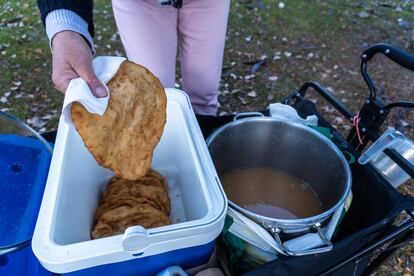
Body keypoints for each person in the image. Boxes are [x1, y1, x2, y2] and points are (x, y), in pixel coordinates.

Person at [37, 0, 230, 115]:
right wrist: (66, 27)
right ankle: (168, 147)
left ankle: (204, 142)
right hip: (141, 4)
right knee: (155, 92)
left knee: (204, 87)